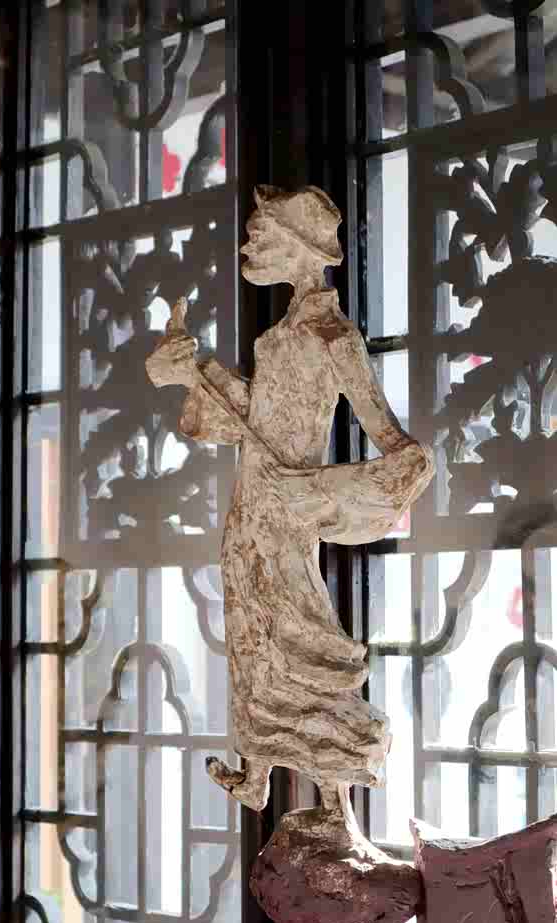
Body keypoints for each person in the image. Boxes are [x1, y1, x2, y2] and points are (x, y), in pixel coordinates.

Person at [146, 184, 434, 812]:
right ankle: (257, 774)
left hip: (286, 518)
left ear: (299, 245)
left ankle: (336, 806)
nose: (248, 245)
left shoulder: (334, 338)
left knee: (303, 652)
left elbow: (403, 450)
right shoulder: (275, 339)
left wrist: (323, 488)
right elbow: (255, 418)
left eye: (260, 234)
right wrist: (194, 373)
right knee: (253, 643)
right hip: (249, 511)